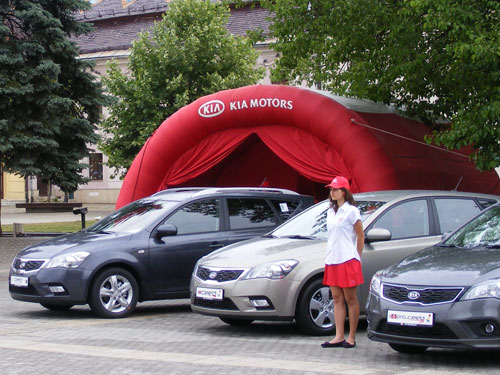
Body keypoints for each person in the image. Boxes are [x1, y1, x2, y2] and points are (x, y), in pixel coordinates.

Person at [321, 176, 364, 349]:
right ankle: (339, 336)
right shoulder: (330, 211)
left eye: (335, 189)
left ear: (344, 192)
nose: (332, 192)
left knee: (350, 298)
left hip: (347, 259)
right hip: (332, 259)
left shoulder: (352, 211)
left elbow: (360, 235)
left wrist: (357, 257)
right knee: (337, 298)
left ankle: (351, 337)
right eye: (331, 189)